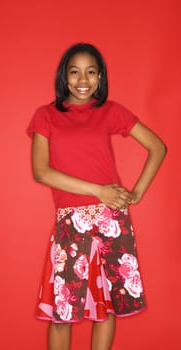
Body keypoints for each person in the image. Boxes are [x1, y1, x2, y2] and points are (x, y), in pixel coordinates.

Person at [27, 43, 167, 350]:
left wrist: (136, 193)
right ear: (64, 75)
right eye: (74, 72)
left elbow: (158, 147)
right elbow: (42, 172)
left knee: (106, 305)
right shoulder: (46, 116)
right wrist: (99, 190)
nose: (82, 80)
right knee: (62, 310)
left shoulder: (110, 111)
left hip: (111, 220)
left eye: (91, 72)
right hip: (71, 221)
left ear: (100, 76)